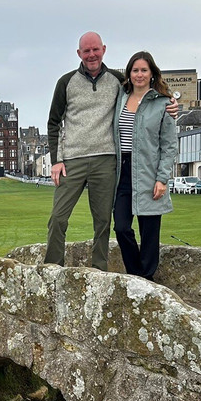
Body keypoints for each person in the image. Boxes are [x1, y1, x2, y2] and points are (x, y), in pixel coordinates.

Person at [45, 32, 177, 271]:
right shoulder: (66, 82)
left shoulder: (118, 80)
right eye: (86, 51)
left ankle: (99, 270)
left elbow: (146, 92)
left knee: (104, 222)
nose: (92, 55)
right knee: (58, 218)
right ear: (79, 54)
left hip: (106, 160)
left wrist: (171, 104)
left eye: (95, 49)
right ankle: (52, 268)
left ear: (103, 49)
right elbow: (54, 122)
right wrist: (56, 160)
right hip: (72, 160)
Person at [111, 51, 178, 281]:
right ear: (129, 74)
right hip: (123, 172)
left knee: (149, 233)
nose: (139, 75)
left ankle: (146, 279)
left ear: (152, 74)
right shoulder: (119, 98)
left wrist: (162, 178)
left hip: (150, 173)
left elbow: (169, 146)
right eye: (135, 70)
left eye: (144, 70)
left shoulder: (163, 104)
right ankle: (136, 274)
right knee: (121, 228)